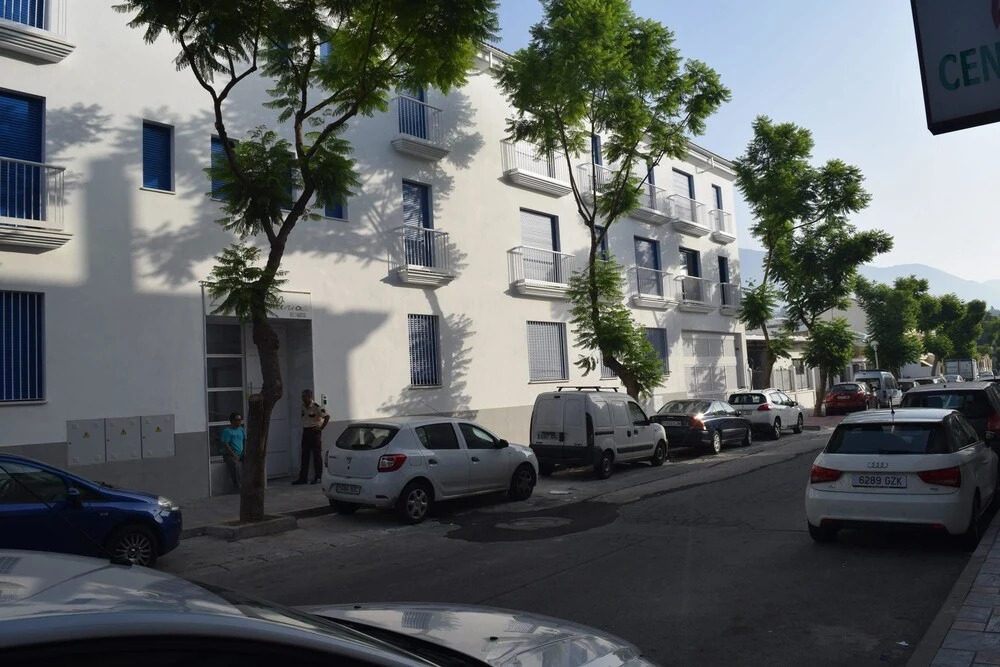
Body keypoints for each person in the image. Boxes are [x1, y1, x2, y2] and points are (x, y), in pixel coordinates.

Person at [294, 389, 329, 485]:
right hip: (306, 431)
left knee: (316, 455)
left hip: (314, 431)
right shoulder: (303, 406)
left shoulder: (316, 407)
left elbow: (327, 417)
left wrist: (321, 428)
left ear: (309, 397)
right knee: (304, 455)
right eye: (302, 397)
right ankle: (303, 478)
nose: (303, 399)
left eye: (304, 397)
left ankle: (318, 477)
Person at [220, 412, 245, 492]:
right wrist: (234, 455)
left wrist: (244, 452)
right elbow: (226, 444)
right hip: (229, 454)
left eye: (240, 420)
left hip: (241, 453)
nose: (239, 422)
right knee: (234, 465)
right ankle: (238, 486)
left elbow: (245, 440)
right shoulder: (227, 431)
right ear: (232, 421)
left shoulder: (241, 429)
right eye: (237, 420)